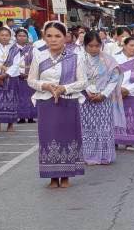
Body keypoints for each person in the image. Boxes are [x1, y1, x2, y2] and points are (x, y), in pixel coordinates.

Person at [26, 22, 87, 188]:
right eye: (49, 36)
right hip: (46, 103)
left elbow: (83, 82)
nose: (53, 40)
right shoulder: (39, 56)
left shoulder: (76, 56)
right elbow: (31, 80)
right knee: (48, 137)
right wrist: (45, 86)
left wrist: (64, 88)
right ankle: (52, 176)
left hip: (68, 102)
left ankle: (67, 175)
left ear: (65, 37)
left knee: (68, 136)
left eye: (57, 36)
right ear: (44, 37)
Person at [80, 31, 122, 166]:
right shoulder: (79, 59)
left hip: (104, 100)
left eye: (97, 46)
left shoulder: (108, 60)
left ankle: (104, 156)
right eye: (90, 46)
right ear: (84, 45)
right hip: (85, 100)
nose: (94, 49)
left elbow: (114, 78)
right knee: (87, 127)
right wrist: (87, 91)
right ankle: (87, 155)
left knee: (103, 127)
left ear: (101, 45)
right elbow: (77, 78)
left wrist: (103, 94)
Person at [0, 27, 23, 132]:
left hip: (11, 77)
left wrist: (5, 75)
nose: (4, 37)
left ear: (10, 37)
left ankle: (10, 124)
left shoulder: (16, 49)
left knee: (11, 100)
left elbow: (17, 64)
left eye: (6, 35)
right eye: (2, 35)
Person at [114, 36, 134, 151]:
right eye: (131, 45)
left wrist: (128, 90)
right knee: (115, 117)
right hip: (115, 92)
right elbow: (109, 76)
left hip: (133, 93)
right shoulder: (114, 59)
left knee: (131, 117)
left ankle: (130, 142)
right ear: (124, 45)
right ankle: (115, 141)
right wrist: (118, 89)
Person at [13, 29, 37, 124]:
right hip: (17, 76)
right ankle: (21, 117)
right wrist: (18, 73)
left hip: (30, 75)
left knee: (30, 96)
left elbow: (36, 62)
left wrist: (30, 73)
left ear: (27, 37)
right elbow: (10, 64)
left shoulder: (32, 48)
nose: (22, 37)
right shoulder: (13, 49)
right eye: (19, 35)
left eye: (24, 36)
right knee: (20, 97)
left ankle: (31, 117)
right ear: (16, 37)